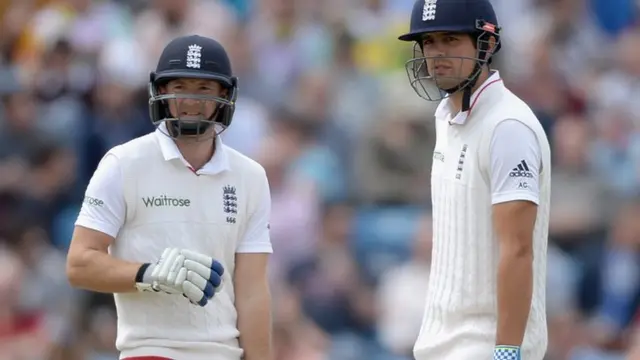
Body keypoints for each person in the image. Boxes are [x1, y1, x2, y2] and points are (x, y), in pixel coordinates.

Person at [66, 34, 273, 360]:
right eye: (180, 87)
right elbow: (79, 264)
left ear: (225, 94)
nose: (190, 101)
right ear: (161, 92)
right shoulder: (123, 163)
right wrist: (148, 275)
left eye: (204, 89)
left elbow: (252, 293)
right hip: (150, 351)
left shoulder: (250, 177)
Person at [397, 1, 551, 359]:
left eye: (450, 39)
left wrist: (507, 352)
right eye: (430, 42)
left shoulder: (508, 126)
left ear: (485, 44)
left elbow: (517, 249)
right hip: (440, 343)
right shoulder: (446, 118)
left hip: (486, 346)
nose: (437, 53)